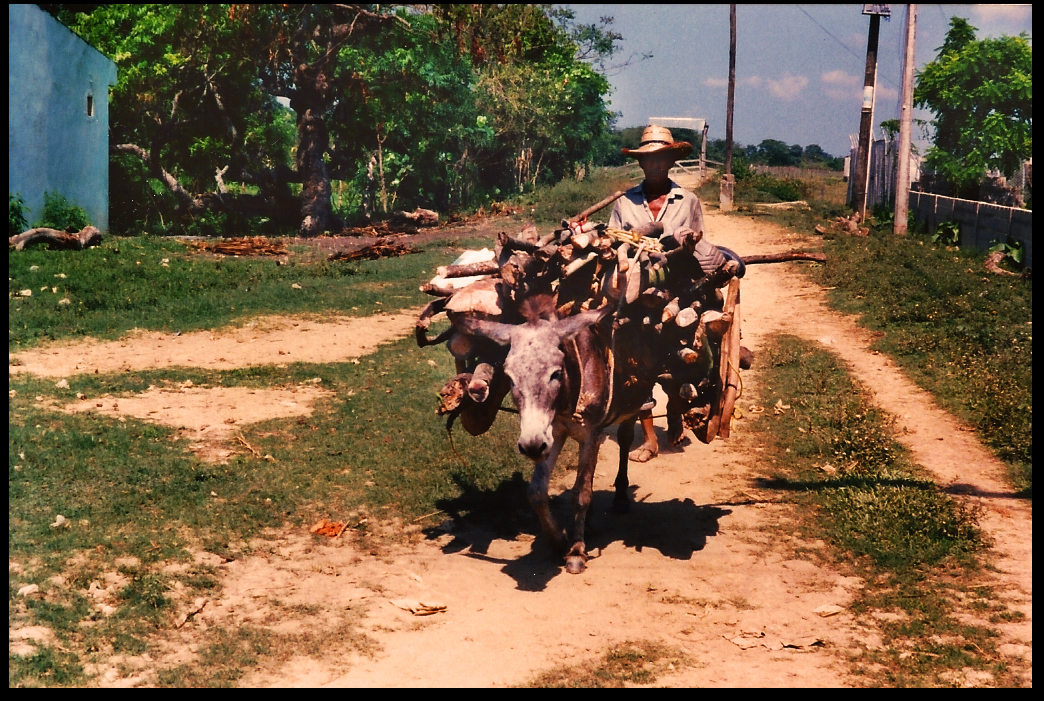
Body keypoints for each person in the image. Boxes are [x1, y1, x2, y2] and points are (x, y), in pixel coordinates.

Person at [608, 125, 731, 463]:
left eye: (662, 158)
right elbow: (613, 242)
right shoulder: (624, 202)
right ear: (641, 164)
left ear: (672, 161)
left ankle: (677, 406)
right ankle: (648, 438)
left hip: (677, 292)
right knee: (635, 362)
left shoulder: (687, 200)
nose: (656, 165)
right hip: (635, 292)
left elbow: (698, 245)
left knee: (681, 353)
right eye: (650, 159)